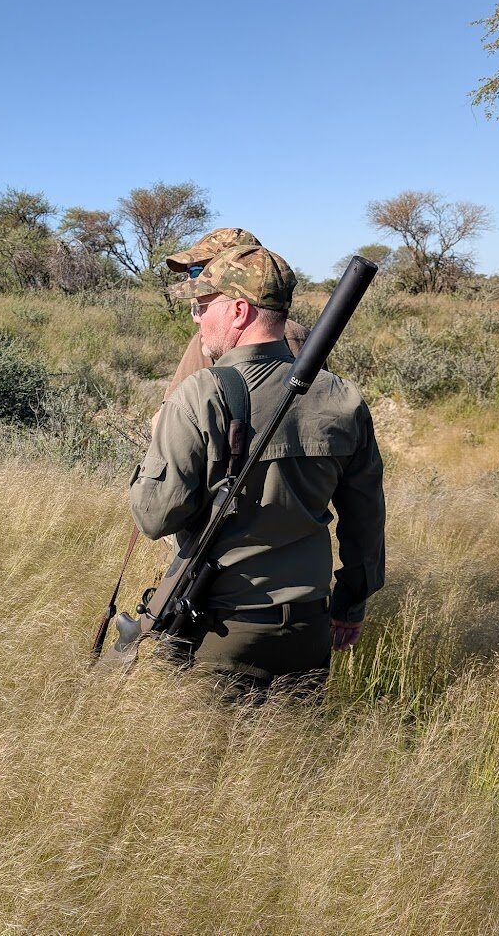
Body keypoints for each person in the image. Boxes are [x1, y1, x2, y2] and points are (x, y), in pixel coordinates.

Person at [129, 244, 386, 693]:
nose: (196, 318)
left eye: (203, 305)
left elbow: (154, 516)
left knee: (207, 762)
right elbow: (366, 518)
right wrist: (351, 605)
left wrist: (153, 456)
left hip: (220, 626)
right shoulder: (342, 397)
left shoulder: (200, 394)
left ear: (239, 311)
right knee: (294, 758)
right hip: (310, 625)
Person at [164, 228, 310, 399]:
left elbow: (169, 418)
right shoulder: (302, 335)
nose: (190, 281)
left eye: (198, 271)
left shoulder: (211, 340)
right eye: (189, 272)